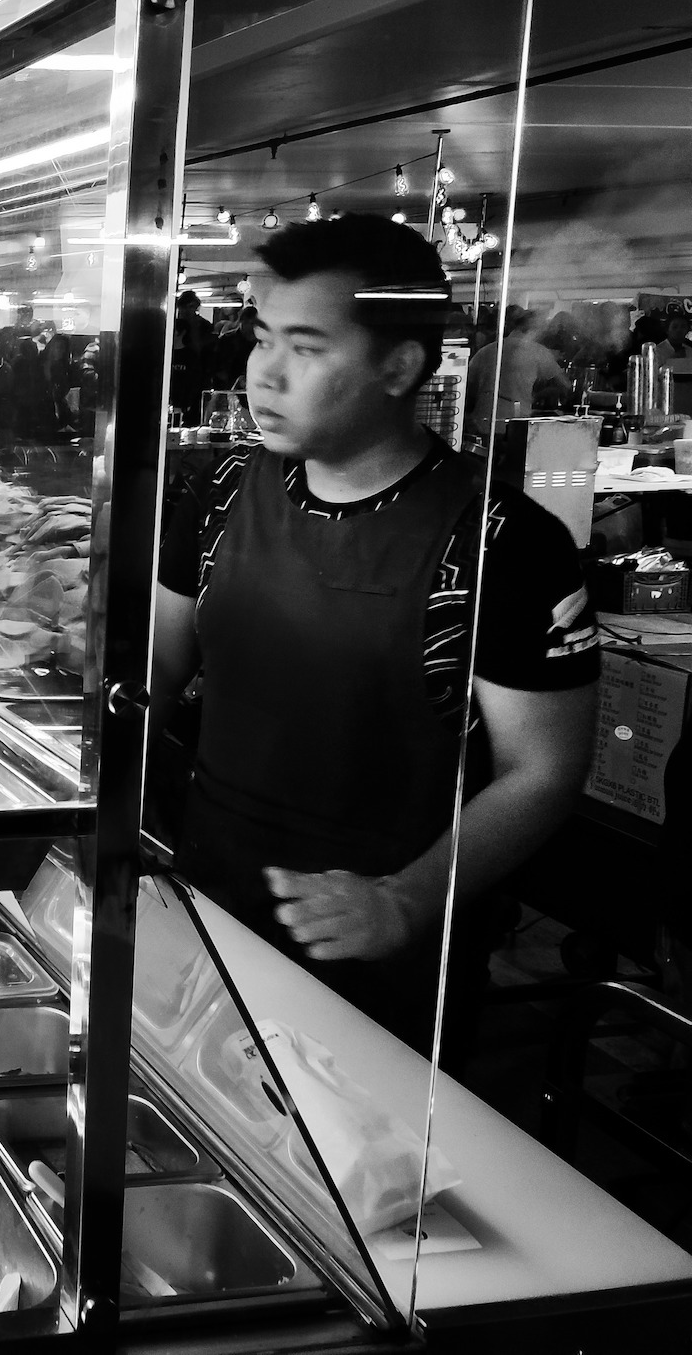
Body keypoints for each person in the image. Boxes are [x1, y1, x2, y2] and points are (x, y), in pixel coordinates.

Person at [151, 215, 599, 1069]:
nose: (266, 374)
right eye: (262, 338)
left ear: (400, 366)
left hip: (384, 943)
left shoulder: (504, 541)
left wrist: (405, 899)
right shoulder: (213, 495)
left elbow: (543, 771)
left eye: (309, 347)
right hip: (207, 895)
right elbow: (161, 666)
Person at [464, 307, 569, 447]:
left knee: (485, 462)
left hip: (482, 421)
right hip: (514, 422)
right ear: (535, 329)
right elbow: (564, 385)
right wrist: (540, 395)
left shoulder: (486, 350)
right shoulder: (538, 352)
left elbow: (469, 390)